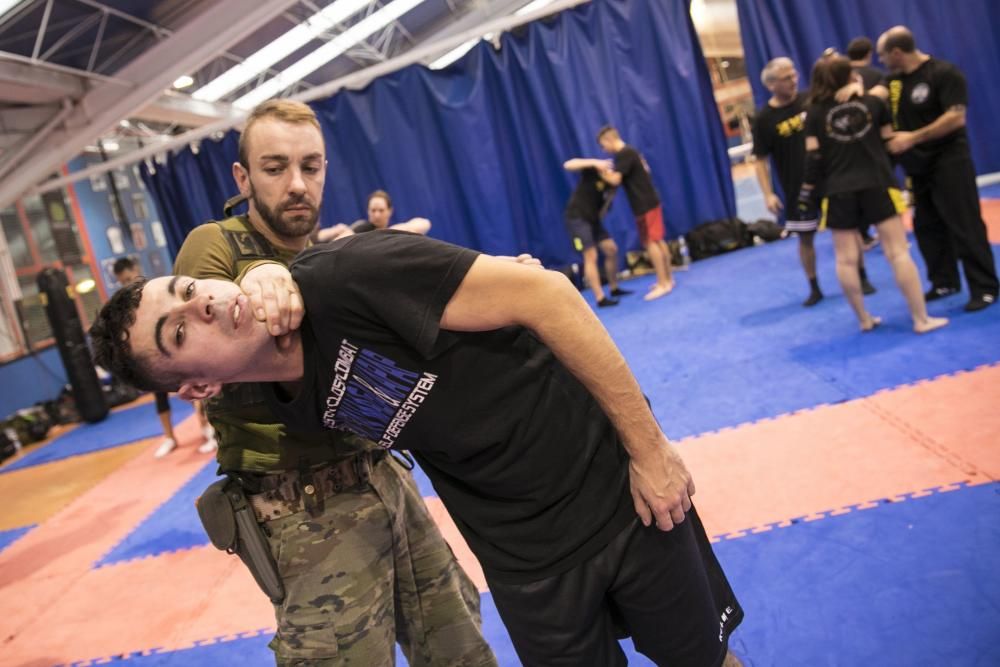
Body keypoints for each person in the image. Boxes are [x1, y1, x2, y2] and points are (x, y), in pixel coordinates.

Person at [168, 100, 495, 666]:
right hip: (303, 512)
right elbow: (208, 321)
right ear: (243, 178)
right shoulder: (215, 245)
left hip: (386, 482)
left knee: (460, 645)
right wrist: (260, 275)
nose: (297, 184)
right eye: (275, 168)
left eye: (311, 167)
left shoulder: (332, 259)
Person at [799, 54, 949, 334]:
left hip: (839, 189)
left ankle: (864, 320)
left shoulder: (815, 114)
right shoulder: (873, 103)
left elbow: (813, 159)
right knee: (898, 252)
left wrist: (808, 192)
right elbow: (890, 142)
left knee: (845, 259)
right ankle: (920, 319)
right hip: (877, 182)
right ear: (849, 75)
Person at [869, 26, 998, 312]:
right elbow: (873, 93)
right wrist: (852, 88)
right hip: (918, 168)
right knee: (926, 226)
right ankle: (944, 281)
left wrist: (911, 138)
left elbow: (955, 118)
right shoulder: (893, 82)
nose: (880, 61)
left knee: (964, 224)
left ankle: (986, 287)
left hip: (950, 161)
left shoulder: (944, 73)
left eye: (882, 56)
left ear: (897, 53)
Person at [752, 57, 876, 306]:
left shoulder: (812, 100)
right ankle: (814, 286)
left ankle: (862, 276)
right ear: (772, 84)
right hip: (797, 187)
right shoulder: (763, 119)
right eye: (787, 78)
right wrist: (768, 193)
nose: (794, 80)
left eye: (794, 75)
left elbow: (850, 96)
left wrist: (854, 88)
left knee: (849, 230)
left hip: (831, 178)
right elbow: (759, 160)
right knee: (805, 237)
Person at [112, 257, 216, 457]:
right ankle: (170, 437)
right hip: (154, 350)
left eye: (127, 278)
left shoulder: (156, 289)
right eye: (122, 281)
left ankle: (209, 430)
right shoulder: (126, 304)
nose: (127, 283)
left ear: (136, 269)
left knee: (195, 384)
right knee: (158, 393)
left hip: (178, 344)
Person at [596, 126, 675, 301]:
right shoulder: (631, 152)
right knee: (658, 241)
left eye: (603, 145)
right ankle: (668, 279)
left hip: (644, 203)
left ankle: (663, 283)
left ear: (610, 140)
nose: (604, 150)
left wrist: (600, 171)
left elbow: (615, 180)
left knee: (651, 242)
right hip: (648, 201)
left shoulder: (625, 153)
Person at [562, 156, 631, 307]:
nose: (617, 178)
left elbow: (604, 209)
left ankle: (614, 288)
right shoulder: (593, 171)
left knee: (611, 249)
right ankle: (600, 298)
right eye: (614, 174)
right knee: (590, 255)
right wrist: (594, 162)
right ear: (607, 170)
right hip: (577, 218)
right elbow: (568, 164)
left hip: (593, 221)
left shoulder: (611, 187)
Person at [316, 190, 431, 241]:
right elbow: (333, 241)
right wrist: (335, 230)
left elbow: (425, 224)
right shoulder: (360, 228)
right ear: (367, 211)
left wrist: (391, 232)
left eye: (381, 210)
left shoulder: (395, 231)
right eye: (373, 210)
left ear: (390, 211)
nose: (377, 215)